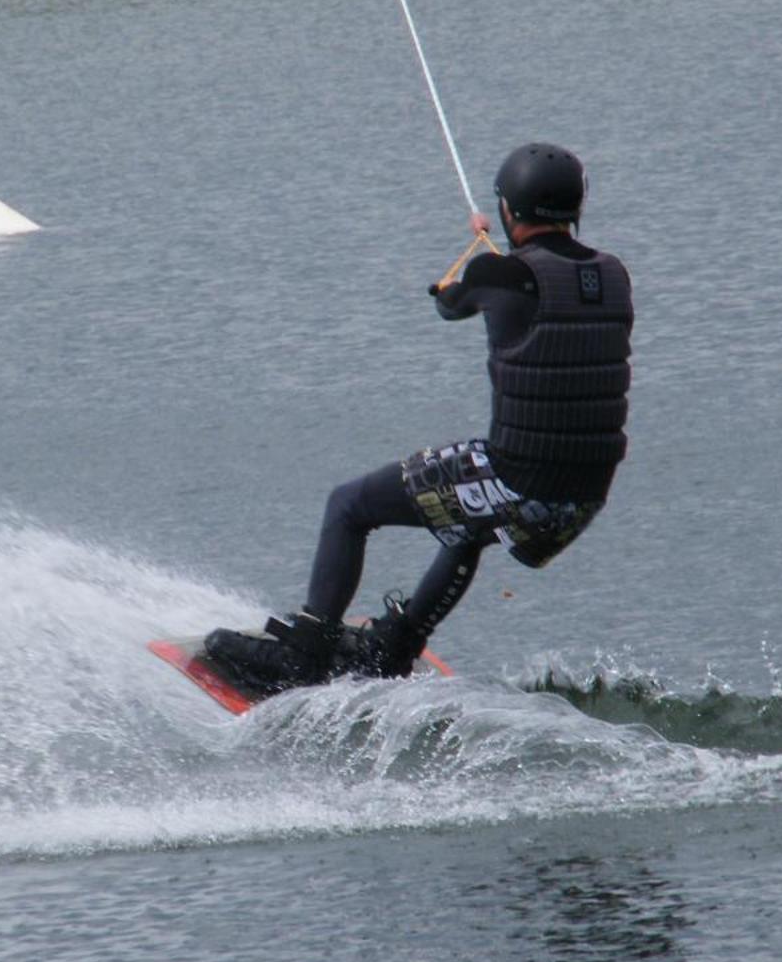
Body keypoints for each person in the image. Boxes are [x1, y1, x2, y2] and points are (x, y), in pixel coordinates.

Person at [204, 141, 634, 692]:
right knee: (467, 526)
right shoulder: (614, 275)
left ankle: (303, 659)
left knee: (349, 506)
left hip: (517, 480)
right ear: (576, 207)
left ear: (508, 211)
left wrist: (462, 275)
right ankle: (394, 645)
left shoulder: (498, 274)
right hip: (579, 498)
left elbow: (450, 302)